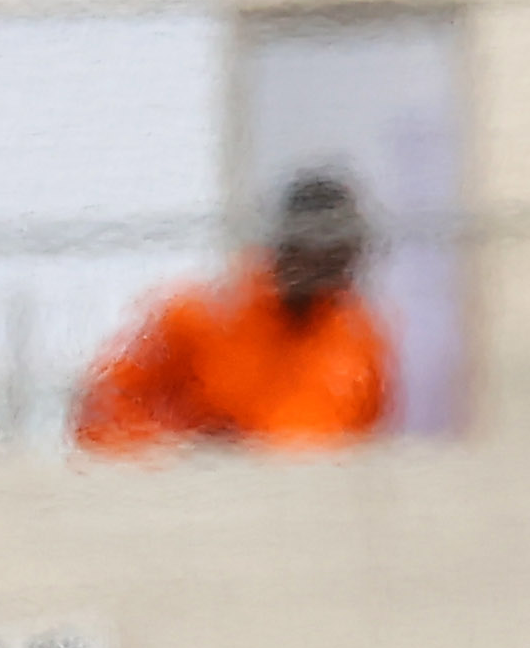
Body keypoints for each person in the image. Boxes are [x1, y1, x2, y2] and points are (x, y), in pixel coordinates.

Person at [75, 167, 390, 453]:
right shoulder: (195, 316)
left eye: (343, 252)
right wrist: (172, 457)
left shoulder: (361, 338)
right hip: (209, 503)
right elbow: (106, 409)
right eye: (319, 252)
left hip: (305, 504)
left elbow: (357, 444)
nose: (336, 266)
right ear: (283, 247)